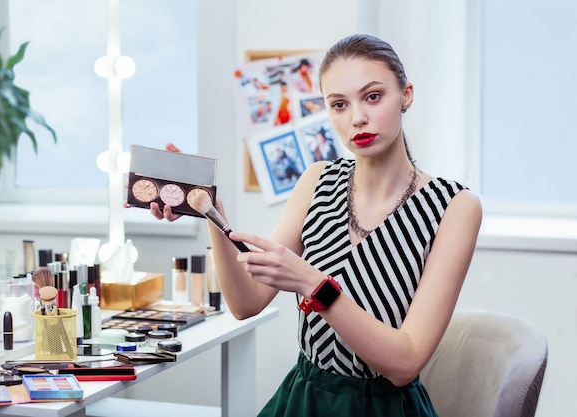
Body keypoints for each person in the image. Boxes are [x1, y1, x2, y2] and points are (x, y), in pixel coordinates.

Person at [149, 34, 482, 417]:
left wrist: (313, 284)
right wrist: (211, 211)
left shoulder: (454, 207)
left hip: (384, 408)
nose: (357, 117)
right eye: (339, 105)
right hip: (305, 399)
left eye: (373, 96)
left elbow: (405, 363)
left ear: (406, 95)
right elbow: (246, 303)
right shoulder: (317, 180)